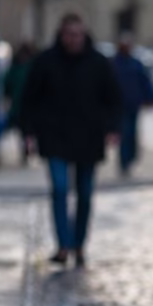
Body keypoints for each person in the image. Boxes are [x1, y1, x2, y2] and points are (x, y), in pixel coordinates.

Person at [20, 14, 121, 267]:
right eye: (69, 34)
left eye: (77, 34)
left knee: (85, 194)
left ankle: (79, 244)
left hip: (89, 137)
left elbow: (113, 98)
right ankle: (63, 245)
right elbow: (29, 99)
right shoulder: (46, 62)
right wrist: (30, 132)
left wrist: (112, 128)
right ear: (61, 35)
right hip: (55, 136)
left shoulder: (98, 63)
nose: (73, 40)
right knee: (60, 189)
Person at [111, 33, 153, 175]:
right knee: (124, 133)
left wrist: (150, 98)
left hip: (133, 104)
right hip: (119, 105)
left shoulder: (135, 63)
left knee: (132, 133)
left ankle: (131, 157)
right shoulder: (114, 64)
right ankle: (124, 160)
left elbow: (145, 82)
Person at [2, 42, 36, 163]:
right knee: (26, 129)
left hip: (20, 105)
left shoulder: (16, 68)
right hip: (27, 105)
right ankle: (27, 145)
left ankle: (26, 146)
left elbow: (6, 85)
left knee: (23, 130)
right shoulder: (32, 67)